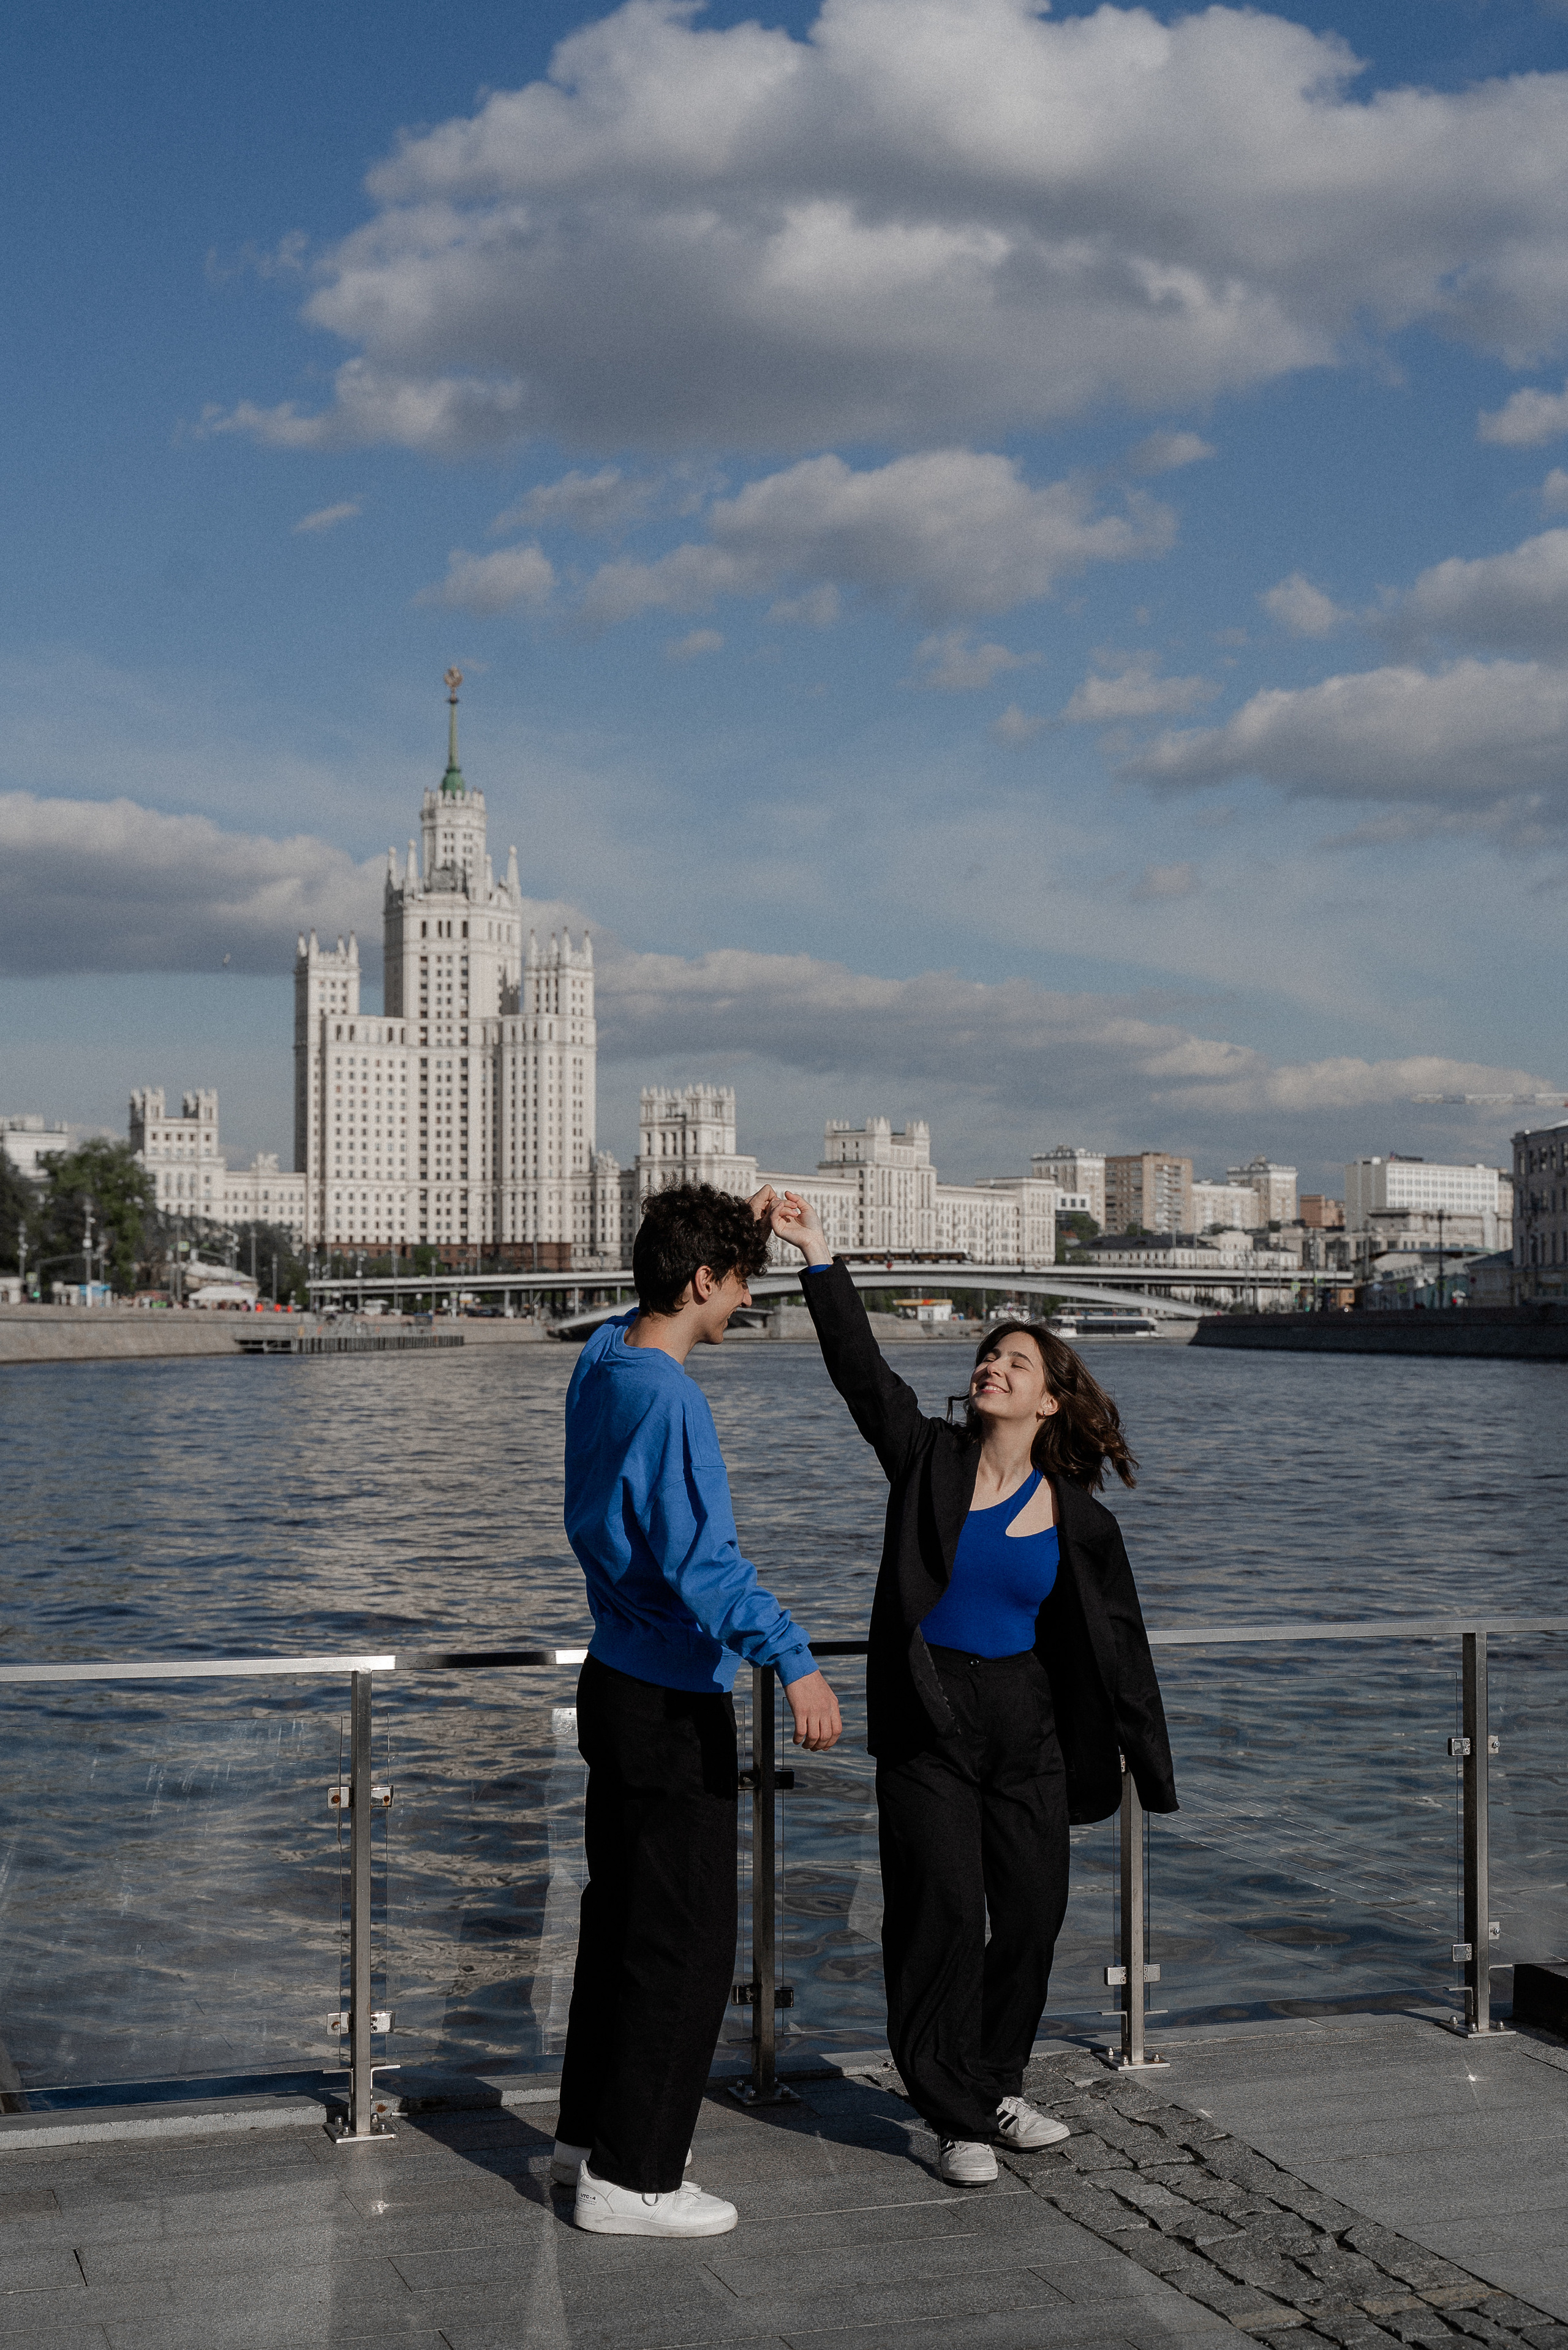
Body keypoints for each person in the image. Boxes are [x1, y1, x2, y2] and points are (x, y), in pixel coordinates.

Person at [772, 1191, 1175, 2187]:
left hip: (1025, 1727)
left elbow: (1118, 1649)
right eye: (987, 1356)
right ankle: (950, 2112)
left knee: (1032, 1914)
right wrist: (819, 1255)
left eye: (1017, 1360)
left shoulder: (1080, 1520)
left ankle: (994, 2080)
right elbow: (862, 1376)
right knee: (942, 1913)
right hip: (928, 1718)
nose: (992, 1365)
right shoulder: (928, 1460)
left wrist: (1144, 1763)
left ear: (1049, 1400)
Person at [554, 1181, 842, 2237]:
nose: (743, 1307)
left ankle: (589, 2137)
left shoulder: (601, 1364)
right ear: (700, 1279)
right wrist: (796, 1663)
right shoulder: (671, 1397)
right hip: (673, 1698)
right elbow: (706, 1564)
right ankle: (635, 2178)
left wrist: (735, 1218)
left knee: (622, 1924)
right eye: (738, 1286)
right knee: (684, 1945)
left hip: (612, 1681)